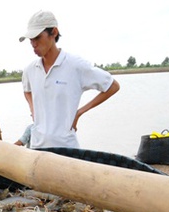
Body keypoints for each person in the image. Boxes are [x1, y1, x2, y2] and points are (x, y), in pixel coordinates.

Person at [18, 10, 120, 149]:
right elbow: (27, 90)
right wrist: (33, 109)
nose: (33, 44)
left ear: (53, 32)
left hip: (66, 148)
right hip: (37, 147)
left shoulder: (75, 66)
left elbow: (112, 86)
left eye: (37, 38)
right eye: (31, 39)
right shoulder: (30, 70)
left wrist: (79, 112)